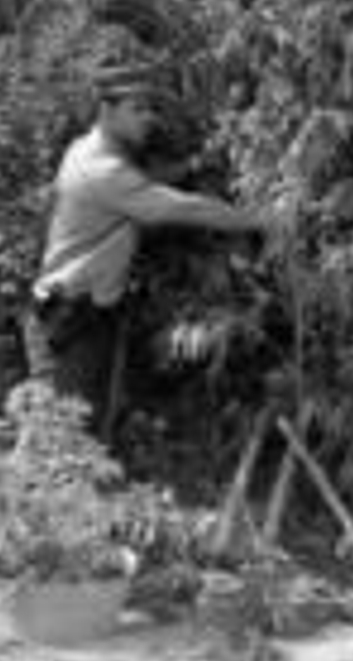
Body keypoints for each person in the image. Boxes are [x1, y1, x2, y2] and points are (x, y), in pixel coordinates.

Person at [25, 61, 265, 437]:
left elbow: (142, 183)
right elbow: (185, 208)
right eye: (137, 109)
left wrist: (194, 165)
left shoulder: (85, 150)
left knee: (73, 439)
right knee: (60, 444)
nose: (149, 119)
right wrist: (263, 219)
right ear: (107, 111)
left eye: (151, 108)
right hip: (70, 323)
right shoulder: (103, 171)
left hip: (76, 312)